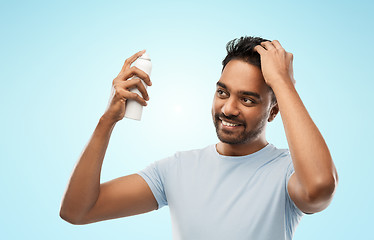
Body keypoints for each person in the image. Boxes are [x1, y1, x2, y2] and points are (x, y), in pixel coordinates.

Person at [60, 36, 338, 240]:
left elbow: (319, 188)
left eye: (248, 99)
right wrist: (106, 120)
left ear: (273, 110)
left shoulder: (287, 172)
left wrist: (283, 83)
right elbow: (78, 211)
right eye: (222, 92)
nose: (229, 108)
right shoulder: (176, 169)